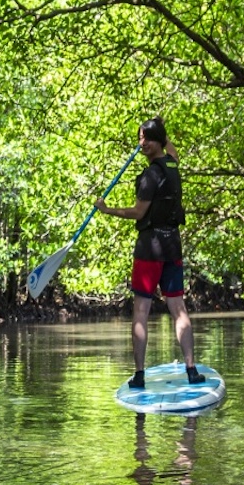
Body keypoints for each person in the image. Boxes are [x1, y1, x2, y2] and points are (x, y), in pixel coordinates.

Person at [95, 117, 204, 388]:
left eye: (147, 139)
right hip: (172, 245)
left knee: (141, 311)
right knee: (178, 307)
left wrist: (107, 209)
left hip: (149, 250)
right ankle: (191, 370)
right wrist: (160, 130)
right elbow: (172, 148)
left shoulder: (149, 177)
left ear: (157, 142)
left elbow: (138, 213)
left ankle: (140, 374)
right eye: (140, 138)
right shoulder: (172, 164)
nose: (141, 144)